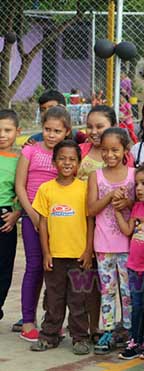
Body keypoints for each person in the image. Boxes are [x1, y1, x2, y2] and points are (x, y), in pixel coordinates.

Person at [29, 140, 94, 354]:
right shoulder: (46, 189)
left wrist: (87, 251)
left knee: (78, 300)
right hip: (55, 256)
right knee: (54, 298)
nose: (67, 163)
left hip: (79, 257)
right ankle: (50, 335)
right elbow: (43, 223)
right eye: (62, 158)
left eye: (72, 159)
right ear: (54, 161)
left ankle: (80, 338)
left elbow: (91, 221)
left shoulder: (84, 189)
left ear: (78, 162)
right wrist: (46, 252)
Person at [15, 106, 72, 341]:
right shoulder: (30, 151)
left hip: (58, 221)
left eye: (56, 131)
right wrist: (33, 214)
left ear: (66, 132)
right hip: (32, 219)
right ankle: (28, 320)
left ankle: (53, 320)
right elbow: (20, 185)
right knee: (35, 267)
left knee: (55, 271)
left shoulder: (66, 155)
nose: (51, 135)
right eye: (47, 129)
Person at [87, 128, 135, 354]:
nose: (109, 154)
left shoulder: (133, 175)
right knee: (108, 289)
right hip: (103, 244)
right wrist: (109, 196)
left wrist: (127, 203)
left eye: (115, 149)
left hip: (128, 244)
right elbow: (91, 209)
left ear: (126, 150)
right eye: (104, 150)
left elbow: (139, 206)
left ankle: (127, 329)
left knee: (127, 290)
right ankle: (107, 330)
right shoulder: (95, 176)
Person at [114, 165, 144, 360]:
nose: (140, 188)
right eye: (137, 184)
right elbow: (127, 230)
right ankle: (136, 341)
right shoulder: (137, 207)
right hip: (134, 268)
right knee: (137, 305)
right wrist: (117, 211)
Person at [0, 109, 21, 321]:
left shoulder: (20, 160)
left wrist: (17, 214)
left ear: (17, 131)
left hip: (5, 217)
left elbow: (22, 190)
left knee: (4, 265)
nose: (2, 135)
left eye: (7, 130)